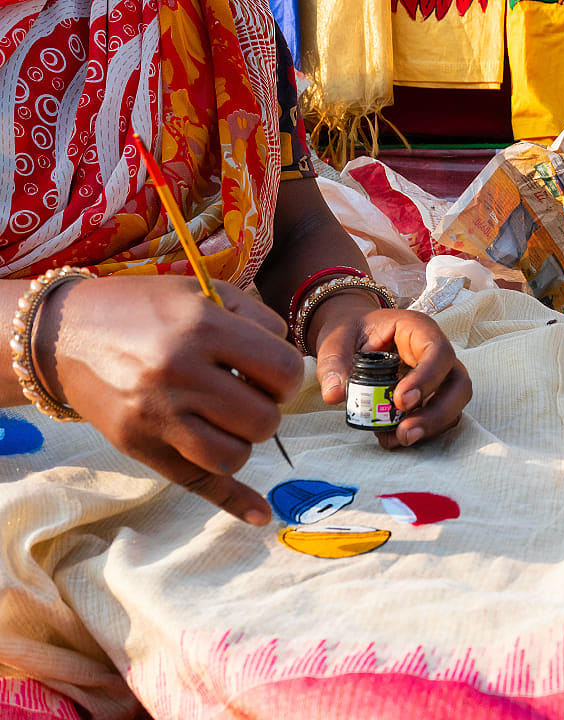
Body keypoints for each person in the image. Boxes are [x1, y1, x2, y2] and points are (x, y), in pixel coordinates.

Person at [0, 0, 470, 526]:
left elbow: (294, 225)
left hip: (218, 404)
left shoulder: (228, 20)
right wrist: (52, 336)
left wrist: (342, 308)